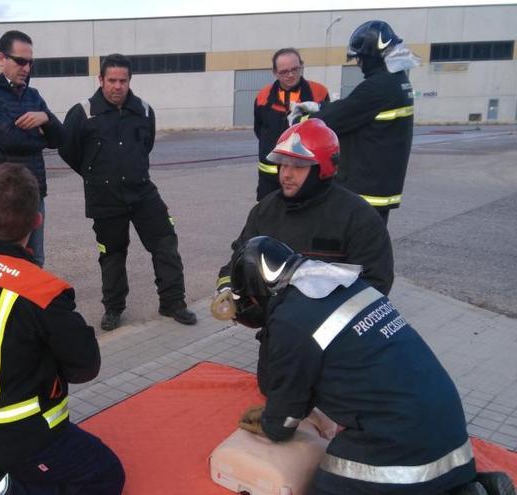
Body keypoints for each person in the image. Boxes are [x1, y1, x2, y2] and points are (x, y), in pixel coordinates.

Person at [229, 236, 513, 495]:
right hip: (451, 433)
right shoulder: (342, 283)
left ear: (258, 291)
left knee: (327, 484)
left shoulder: (290, 322)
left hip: (400, 442)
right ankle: (471, 489)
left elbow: (282, 424)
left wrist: (271, 422)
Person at [0, 163, 124, 495]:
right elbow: (86, 367)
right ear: (37, 221)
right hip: (25, 434)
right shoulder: (42, 292)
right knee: (107, 476)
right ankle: (2, 486)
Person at [59, 53, 197, 331]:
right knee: (112, 254)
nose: (117, 86)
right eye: (112, 80)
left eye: (123, 80)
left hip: (142, 193)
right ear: (100, 79)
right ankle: (113, 308)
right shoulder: (83, 112)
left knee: (166, 243)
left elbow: (146, 145)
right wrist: (94, 175)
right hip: (105, 198)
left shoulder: (144, 111)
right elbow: (68, 149)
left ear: (130, 81)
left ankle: (172, 302)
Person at [217, 119, 393, 299]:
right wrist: (228, 289)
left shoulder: (357, 217)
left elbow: (376, 281)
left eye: (298, 166)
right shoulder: (264, 211)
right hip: (277, 320)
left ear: (323, 169)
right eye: (283, 164)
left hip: (334, 323)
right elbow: (239, 260)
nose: (286, 174)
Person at [290, 20, 418, 224]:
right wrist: (321, 106)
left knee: (356, 249)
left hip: (365, 188)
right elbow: (354, 107)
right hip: (380, 185)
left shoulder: (379, 86)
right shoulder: (397, 81)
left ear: (371, 56)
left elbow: (336, 119)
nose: (359, 64)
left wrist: (301, 119)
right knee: (370, 246)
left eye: (360, 58)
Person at [0, 30, 65, 267]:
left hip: (34, 190)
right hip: (2, 192)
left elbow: (60, 138)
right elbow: (9, 139)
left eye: (30, 62)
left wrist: (45, 118)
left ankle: (29, 305)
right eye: (20, 61)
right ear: (1, 58)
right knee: (3, 262)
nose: (26, 68)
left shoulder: (32, 95)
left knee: (34, 259)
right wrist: (40, 136)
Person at [253, 48, 329, 200]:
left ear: (302, 65)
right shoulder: (263, 96)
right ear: (274, 72)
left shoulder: (319, 92)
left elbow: (325, 130)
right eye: (284, 72)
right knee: (267, 216)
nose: (290, 75)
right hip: (270, 174)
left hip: (304, 172)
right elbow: (259, 129)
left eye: (295, 69)